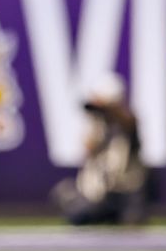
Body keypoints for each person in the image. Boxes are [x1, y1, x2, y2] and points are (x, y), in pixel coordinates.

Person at [51, 74, 150, 226]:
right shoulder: (99, 124)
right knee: (65, 195)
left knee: (128, 217)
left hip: (123, 192)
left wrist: (109, 112)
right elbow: (88, 147)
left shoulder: (127, 126)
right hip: (99, 194)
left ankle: (118, 214)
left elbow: (121, 155)